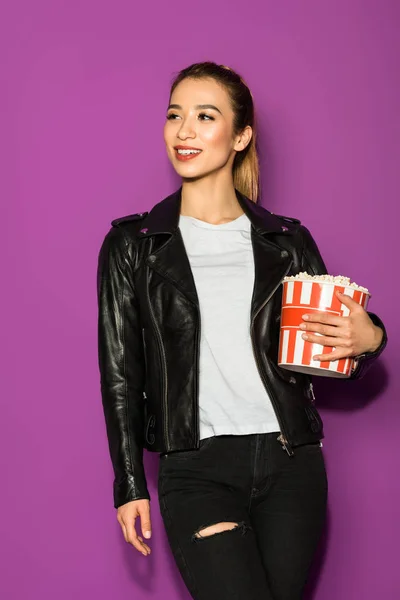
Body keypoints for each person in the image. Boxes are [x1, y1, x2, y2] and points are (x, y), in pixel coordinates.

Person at [96, 62, 387, 600]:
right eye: (174, 115)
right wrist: (129, 482)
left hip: (292, 464)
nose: (184, 131)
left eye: (205, 116)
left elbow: (337, 342)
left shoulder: (286, 241)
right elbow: (119, 374)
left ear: (240, 136)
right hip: (197, 468)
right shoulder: (134, 246)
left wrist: (372, 339)